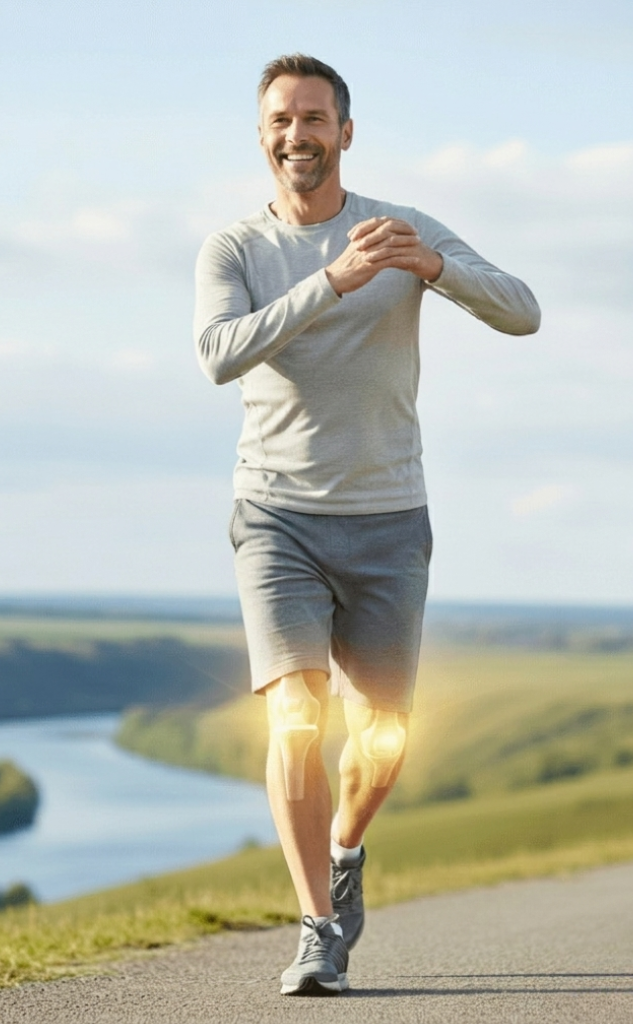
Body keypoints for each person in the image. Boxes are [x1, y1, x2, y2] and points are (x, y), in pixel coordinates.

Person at [194, 54, 540, 996]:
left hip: (389, 519)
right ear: (261, 135)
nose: (296, 134)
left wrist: (434, 268)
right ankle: (316, 930)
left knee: (383, 740)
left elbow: (524, 312)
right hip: (277, 515)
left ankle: (346, 849)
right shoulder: (235, 248)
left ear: (346, 132)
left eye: (314, 118)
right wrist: (333, 282)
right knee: (296, 714)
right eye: (280, 119)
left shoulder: (402, 228)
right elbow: (218, 353)